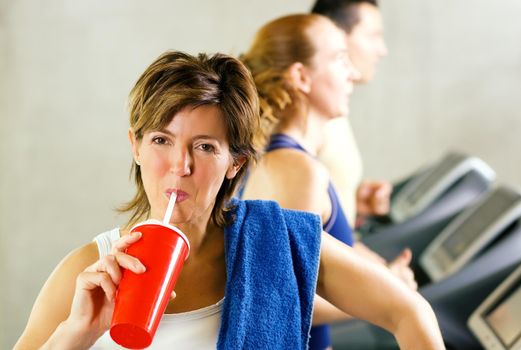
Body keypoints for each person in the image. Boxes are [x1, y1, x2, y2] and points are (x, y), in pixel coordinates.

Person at [15, 51, 444, 349]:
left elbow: (410, 312)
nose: (179, 165)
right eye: (161, 140)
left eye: (204, 147)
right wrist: (74, 335)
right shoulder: (84, 273)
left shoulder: (277, 241)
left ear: (236, 163)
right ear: (135, 146)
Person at [240, 14, 415, 350]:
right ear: (301, 76)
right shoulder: (298, 171)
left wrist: (381, 273)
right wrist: (390, 291)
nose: (351, 73)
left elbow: (322, 267)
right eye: (339, 59)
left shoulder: (292, 161)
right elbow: (284, 303)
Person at [312, 0, 391, 228]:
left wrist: (351, 202)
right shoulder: (310, 110)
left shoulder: (335, 104)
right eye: (373, 36)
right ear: (336, 36)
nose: (382, 50)